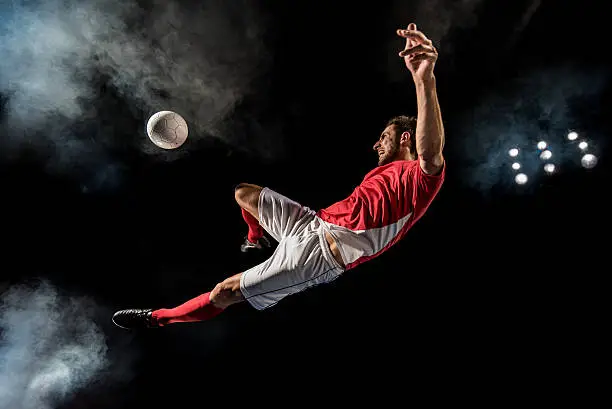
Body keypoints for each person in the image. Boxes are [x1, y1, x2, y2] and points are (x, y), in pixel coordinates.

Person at [112, 23, 445, 329]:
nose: (376, 143)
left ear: (405, 138)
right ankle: (255, 239)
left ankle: (158, 318)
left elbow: (430, 152)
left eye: (385, 136)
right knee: (244, 193)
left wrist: (423, 79)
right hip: (311, 223)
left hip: (319, 257)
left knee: (224, 291)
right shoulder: (383, 173)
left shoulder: (419, 179)